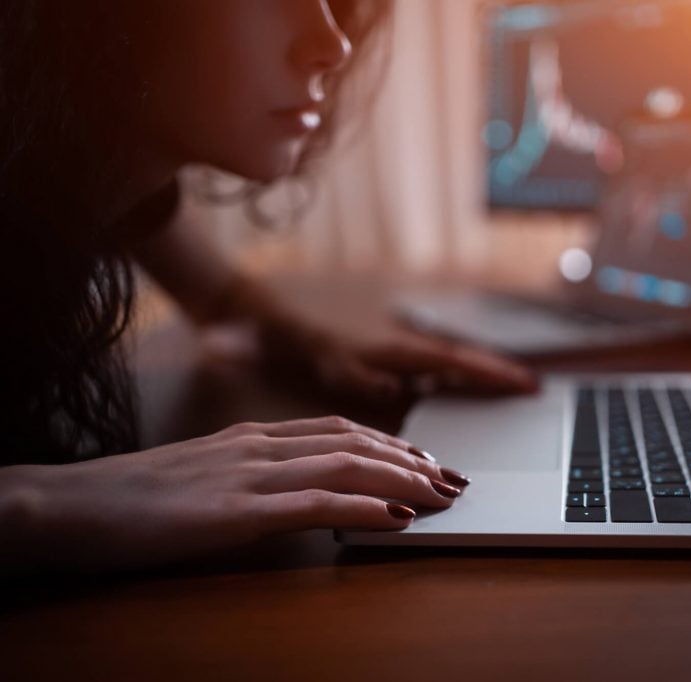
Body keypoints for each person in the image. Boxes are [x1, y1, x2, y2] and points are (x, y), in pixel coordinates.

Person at [0, 0, 537, 572]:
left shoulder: (113, 183)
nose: (335, 46)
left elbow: (226, 303)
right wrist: (39, 501)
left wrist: (304, 339)